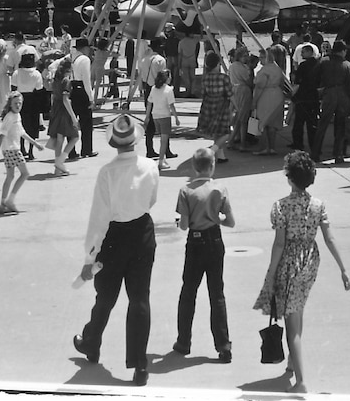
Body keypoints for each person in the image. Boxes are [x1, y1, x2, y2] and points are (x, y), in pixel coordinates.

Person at [252, 151, 350, 394]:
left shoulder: (281, 206)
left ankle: (301, 382)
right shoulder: (318, 205)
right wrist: (343, 268)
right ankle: (291, 363)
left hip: (289, 265)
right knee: (298, 311)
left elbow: (279, 244)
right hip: (310, 262)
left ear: (289, 177)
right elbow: (329, 238)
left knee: (291, 323)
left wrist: (271, 273)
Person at [73, 114, 159, 386]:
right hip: (143, 231)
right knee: (140, 298)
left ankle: (91, 342)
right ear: (136, 140)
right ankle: (140, 365)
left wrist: (90, 255)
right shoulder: (150, 166)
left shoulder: (107, 172)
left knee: (106, 295)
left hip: (115, 236)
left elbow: (99, 218)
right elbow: (152, 199)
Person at [173, 147, 234, 362]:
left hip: (195, 241)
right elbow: (231, 221)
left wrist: (182, 221)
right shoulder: (220, 189)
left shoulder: (186, 191)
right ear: (213, 166)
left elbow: (184, 225)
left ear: (193, 167)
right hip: (215, 240)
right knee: (217, 293)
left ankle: (183, 342)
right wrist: (215, 218)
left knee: (188, 291)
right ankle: (223, 345)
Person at [0, 91, 45, 214]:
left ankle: (2, 204)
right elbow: (2, 134)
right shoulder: (10, 117)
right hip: (11, 149)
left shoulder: (17, 115)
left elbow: (22, 132)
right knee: (25, 174)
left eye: (20, 103)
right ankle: (10, 200)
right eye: (15, 103)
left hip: (10, 149)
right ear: (10, 104)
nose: (18, 105)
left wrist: (35, 144)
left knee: (10, 176)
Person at [312, 41, 350, 164]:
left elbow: (314, 76)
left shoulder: (324, 61)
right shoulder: (346, 65)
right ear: (342, 51)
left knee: (323, 124)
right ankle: (338, 154)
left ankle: (315, 153)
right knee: (340, 126)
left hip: (329, 93)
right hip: (342, 95)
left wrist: (319, 88)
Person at [196, 51, 233, 163]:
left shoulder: (205, 78)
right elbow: (230, 95)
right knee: (226, 133)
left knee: (218, 132)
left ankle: (221, 156)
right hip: (222, 106)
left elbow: (203, 93)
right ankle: (212, 152)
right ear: (218, 64)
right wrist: (237, 106)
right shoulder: (224, 78)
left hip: (209, 105)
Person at [252, 46, 289, 156]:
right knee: (273, 123)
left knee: (263, 122)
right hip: (277, 95)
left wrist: (254, 101)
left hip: (266, 96)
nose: (260, 60)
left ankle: (263, 147)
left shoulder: (265, 70)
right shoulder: (278, 69)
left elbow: (260, 86)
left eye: (262, 57)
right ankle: (272, 147)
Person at [48, 57, 81, 176]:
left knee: (59, 139)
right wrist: (73, 117)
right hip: (63, 110)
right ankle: (60, 162)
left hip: (56, 109)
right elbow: (66, 99)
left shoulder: (56, 79)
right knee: (75, 136)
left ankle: (58, 168)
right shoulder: (66, 81)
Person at [12, 52, 45, 160]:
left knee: (20, 124)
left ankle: (22, 148)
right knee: (33, 126)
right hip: (33, 100)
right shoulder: (36, 74)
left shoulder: (17, 73)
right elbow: (39, 89)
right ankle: (31, 151)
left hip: (20, 100)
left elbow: (13, 88)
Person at [290, 43, 320, 152]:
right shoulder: (319, 65)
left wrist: (293, 95)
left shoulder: (303, 66)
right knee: (312, 124)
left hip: (302, 98)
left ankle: (298, 144)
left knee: (299, 123)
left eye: (303, 52)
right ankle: (314, 146)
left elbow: (297, 83)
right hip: (314, 98)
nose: (301, 54)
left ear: (309, 52)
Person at [148, 70, 179, 169]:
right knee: (164, 140)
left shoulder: (154, 88)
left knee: (161, 138)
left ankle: (163, 158)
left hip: (155, 115)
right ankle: (161, 162)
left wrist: (147, 116)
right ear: (166, 78)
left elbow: (149, 102)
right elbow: (172, 106)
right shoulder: (168, 89)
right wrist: (176, 118)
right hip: (164, 116)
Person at [72, 37, 97, 159]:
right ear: (85, 48)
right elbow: (87, 80)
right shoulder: (85, 60)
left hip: (73, 89)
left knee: (73, 120)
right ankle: (86, 149)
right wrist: (91, 98)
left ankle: (71, 150)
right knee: (86, 123)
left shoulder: (73, 59)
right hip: (82, 90)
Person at [228, 46, 253, 151]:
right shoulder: (243, 68)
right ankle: (242, 143)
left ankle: (232, 140)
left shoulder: (232, 66)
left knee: (239, 117)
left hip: (235, 90)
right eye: (244, 56)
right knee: (243, 119)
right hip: (243, 90)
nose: (246, 58)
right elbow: (248, 81)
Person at [177, 30, 200, 98]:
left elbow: (180, 54)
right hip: (192, 61)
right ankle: (192, 92)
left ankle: (188, 91)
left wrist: (179, 64)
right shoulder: (194, 41)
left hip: (184, 61)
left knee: (186, 78)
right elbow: (201, 37)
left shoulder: (181, 42)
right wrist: (201, 30)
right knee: (193, 78)